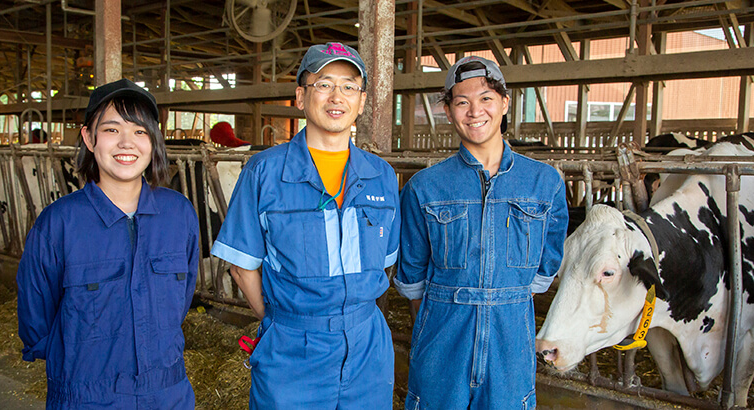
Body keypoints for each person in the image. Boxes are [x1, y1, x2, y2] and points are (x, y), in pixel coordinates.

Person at [210, 42, 400, 409]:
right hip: (293, 347)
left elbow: (385, 260)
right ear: (301, 96)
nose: (337, 96)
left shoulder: (382, 176)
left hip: (367, 348)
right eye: (324, 84)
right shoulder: (263, 172)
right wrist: (281, 321)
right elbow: (241, 264)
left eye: (349, 87)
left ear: (361, 102)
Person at [393, 56, 568, 409]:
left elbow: (547, 262)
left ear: (505, 102)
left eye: (486, 98)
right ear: (448, 110)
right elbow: (412, 279)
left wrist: (508, 296)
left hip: (511, 342)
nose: (475, 111)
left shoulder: (543, 182)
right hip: (444, 337)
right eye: (462, 102)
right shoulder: (424, 188)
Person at [16, 78, 199, 409]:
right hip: (85, 395)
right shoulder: (58, 223)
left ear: (154, 141)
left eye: (140, 131)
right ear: (89, 137)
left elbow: (180, 302)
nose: (127, 143)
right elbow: (36, 323)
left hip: (167, 392)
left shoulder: (179, 214)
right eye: (112, 130)